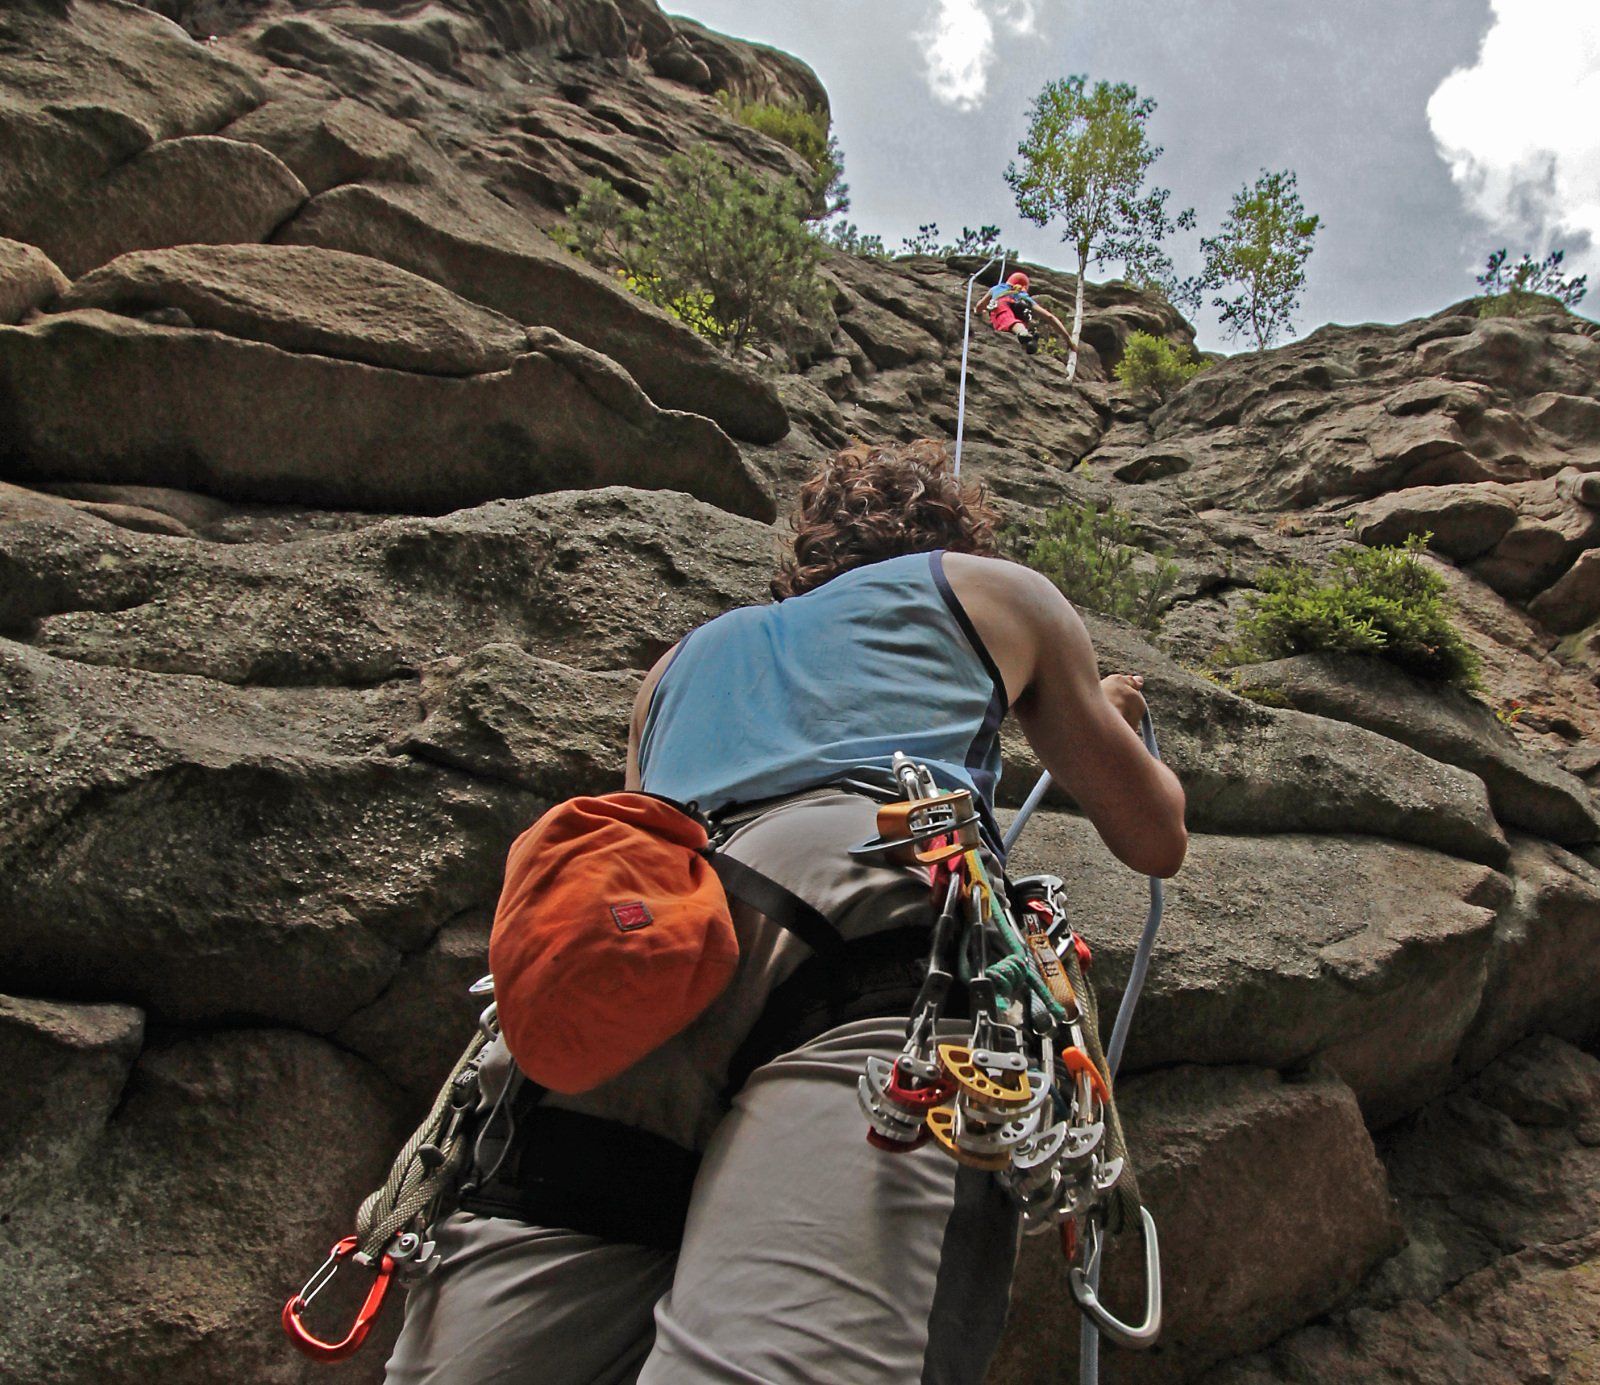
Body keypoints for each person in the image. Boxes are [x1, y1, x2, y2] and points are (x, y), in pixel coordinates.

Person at [382, 438, 1186, 1385]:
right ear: (954, 530)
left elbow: (652, 822)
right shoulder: (995, 589)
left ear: (806, 555)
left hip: (648, 955)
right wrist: (1103, 709)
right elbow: (1153, 836)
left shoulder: (677, 664)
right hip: (867, 911)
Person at [972, 270, 1074, 356]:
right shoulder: (1024, 297)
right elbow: (1049, 317)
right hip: (1021, 310)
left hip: (1001, 304)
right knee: (1020, 316)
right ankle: (1026, 340)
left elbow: (980, 305)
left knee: (1006, 317)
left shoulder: (998, 288)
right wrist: (1068, 339)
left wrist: (977, 312)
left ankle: (1023, 333)